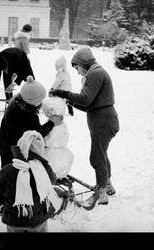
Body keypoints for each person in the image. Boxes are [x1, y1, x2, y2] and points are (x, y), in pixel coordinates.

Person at [49, 47, 120, 206]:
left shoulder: (95, 74)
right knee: (102, 154)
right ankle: (107, 184)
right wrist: (69, 101)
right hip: (104, 119)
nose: (77, 72)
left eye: (77, 68)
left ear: (83, 63)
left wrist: (63, 93)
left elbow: (86, 99)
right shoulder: (97, 72)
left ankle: (101, 192)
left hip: (103, 121)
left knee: (96, 157)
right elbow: (88, 105)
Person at [0, 130, 65, 232]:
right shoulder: (45, 169)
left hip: (14, 220)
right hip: (39, 220)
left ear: (19, 147)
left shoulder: (6, 171)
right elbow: (52, 181)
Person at [0, 75, 63, 168]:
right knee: (12, 175)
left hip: (5, 144)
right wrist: (51, 123)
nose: (41, 102)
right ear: (32, 100)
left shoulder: (17, 101)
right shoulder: (28, 115)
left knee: (8, 172)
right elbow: (36, 134)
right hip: (13, 151)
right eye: (40, 100)